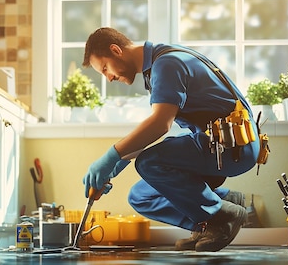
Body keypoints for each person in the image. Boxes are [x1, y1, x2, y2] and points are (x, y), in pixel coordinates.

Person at [81, 27, 259, 252]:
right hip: (217, 143)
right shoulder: (158, 64)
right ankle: (219, 208)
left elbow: (160, 124)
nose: (109, 78)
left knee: (149, 162)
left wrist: (111, 155)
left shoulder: (166, 63)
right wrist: (118, 163)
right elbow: (162, 129)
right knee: (141, 197)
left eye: (105, 68)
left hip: (234, 145)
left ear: (116, 50)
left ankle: (221, 215)